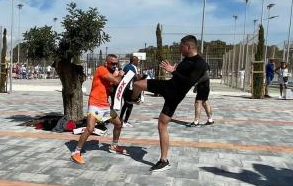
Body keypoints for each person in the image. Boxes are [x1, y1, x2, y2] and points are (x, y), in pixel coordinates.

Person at [129, 35, 208, 172]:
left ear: (188, 47)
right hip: (168, 86)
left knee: (162, 124)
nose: (179, 48)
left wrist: (173, 71)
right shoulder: (186, 59)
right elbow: (179, 76)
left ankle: (164, 160)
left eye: (181, 46)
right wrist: (174, 70)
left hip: (174, 95)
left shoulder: (200, 63)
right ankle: (134, 99)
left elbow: (189, 82)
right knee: (137, 84)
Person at [71, 54, 126, 164]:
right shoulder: (101, 69)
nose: (115, 65)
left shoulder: (109, 73)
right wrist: (120, 75)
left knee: (118, 124)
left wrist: (113, 83)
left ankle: (114, 146)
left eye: (116, 63)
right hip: (95, 104)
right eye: (112, 63)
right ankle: (76, 152)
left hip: (105, 106)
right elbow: (116, 81)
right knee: (90, 129)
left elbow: (110, 88)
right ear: (106, 63)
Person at [120, 56, 142, 127]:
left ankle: (121, 120)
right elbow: (136, 77)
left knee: (126, 104)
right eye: (137, 61)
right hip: (129, 88)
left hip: (124, 88)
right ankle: (125, 121)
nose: (138, 62)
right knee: (130, 105)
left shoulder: (126, 66)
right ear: (134, 61)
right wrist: (142, 77)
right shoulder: (133, 67)